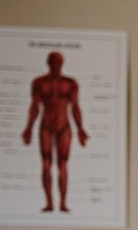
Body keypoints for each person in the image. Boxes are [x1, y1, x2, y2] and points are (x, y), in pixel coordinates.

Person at [21, 50, 88, 213]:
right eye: (53, 61)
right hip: (46, 125)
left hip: (64, 125)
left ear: (62, 63)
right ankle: (50, 203)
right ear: (48, 63)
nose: (55, 64)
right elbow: (35, 106)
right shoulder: (39, 82)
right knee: (46, 163)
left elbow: (75, 107)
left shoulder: (70, 83)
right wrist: (28, 127)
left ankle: (63, 203)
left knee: (63, 164)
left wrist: (80, 128)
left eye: (58, 61)